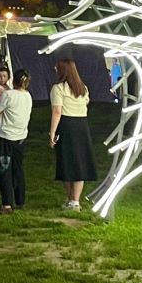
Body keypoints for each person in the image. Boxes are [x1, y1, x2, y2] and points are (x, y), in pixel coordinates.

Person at [49, 56, 96, 210]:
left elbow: (57, 111)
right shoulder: (83, 88)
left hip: (67, 125)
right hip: (82, 126)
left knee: (67, 162)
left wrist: (52, 133)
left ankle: (71, 200)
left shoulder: (58, 88)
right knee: (80, 163)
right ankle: (74, 201)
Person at [0, 69, 32, 212]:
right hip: (21, 136)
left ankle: (7, 203)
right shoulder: (28, 96)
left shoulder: (8, 95)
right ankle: (20, 199)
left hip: (5, 136)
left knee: (3, 169)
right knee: (18, 168)